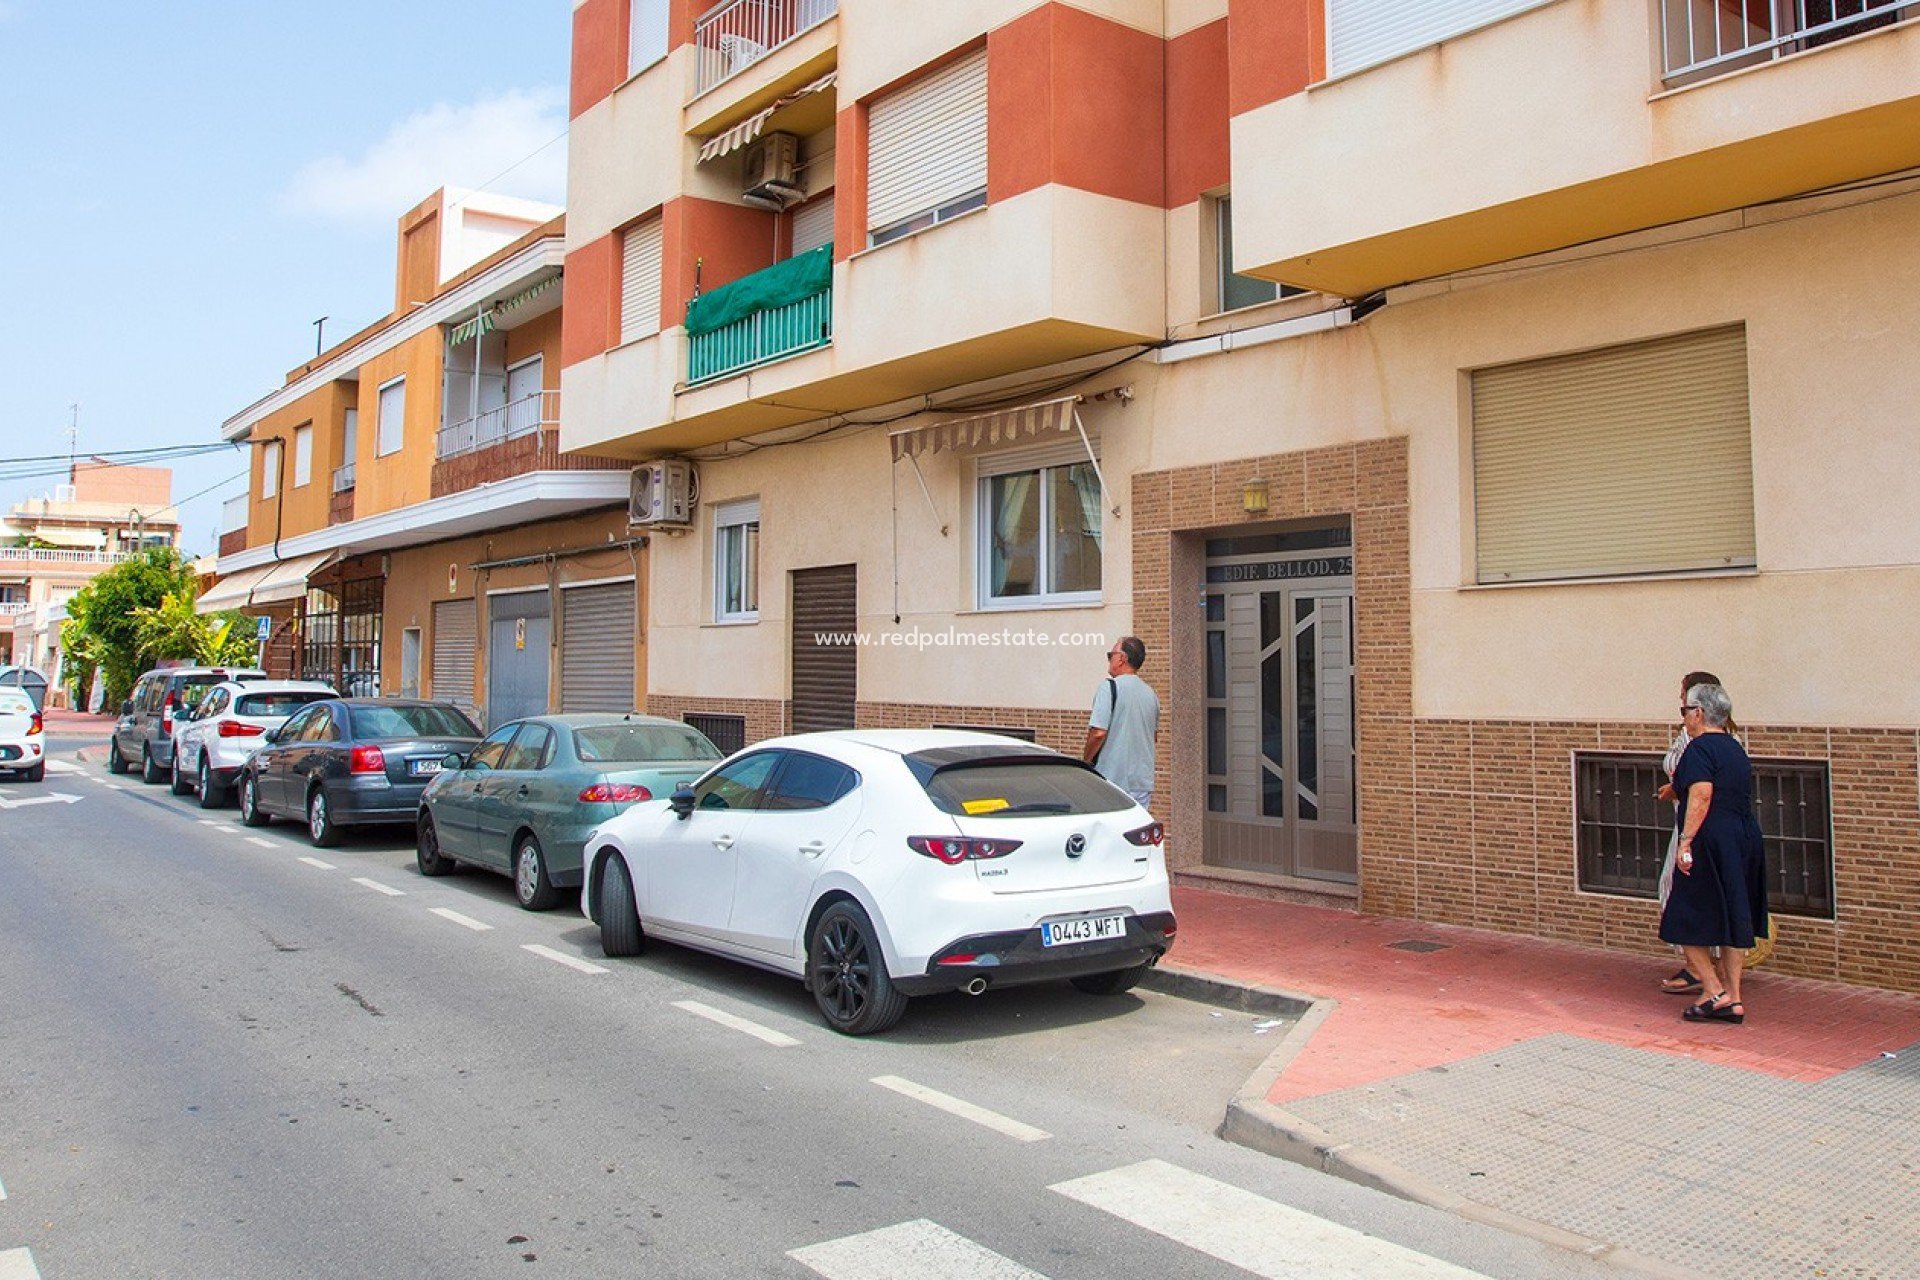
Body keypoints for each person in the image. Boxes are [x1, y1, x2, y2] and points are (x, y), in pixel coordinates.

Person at [1659, 682, 1767, 1024]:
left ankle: (1713, 989)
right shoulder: (1735, 748)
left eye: (1685, 711)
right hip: (1743, 836)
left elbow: (1702, 794)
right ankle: (1733, 997)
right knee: (1735, 914)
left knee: (1683, 914)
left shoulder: (1699, 748)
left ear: (1699, 713)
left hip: (1711, 839)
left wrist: (1686, 841)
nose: (1685, 718)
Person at [1657, 669, 1733, 996]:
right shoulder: (1722, 737)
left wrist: (1677, 791)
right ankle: (1713, 973)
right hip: (1703, 822)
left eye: (1684, 699)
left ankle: (1703, 972)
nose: (1681, 704)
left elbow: (1700, 785)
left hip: (1696, 825)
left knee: (1676, 892)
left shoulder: (1700, 736)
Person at [1084, 636, 1160, 809]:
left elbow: (1098, 733)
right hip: (1142, 784)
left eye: (1111, 655)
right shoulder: (1151, 695)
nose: (1109, 660)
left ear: (1122, 658)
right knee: (1134, 833)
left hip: (1112, 781)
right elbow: (1153, 737)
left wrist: (1086, 761)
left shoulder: (1109, 687)